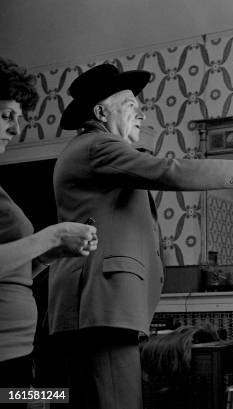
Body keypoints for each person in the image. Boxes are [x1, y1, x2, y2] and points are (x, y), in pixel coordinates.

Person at [48, 63, 233, 409]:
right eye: (130, 105)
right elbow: (168, 170)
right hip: (101, 308)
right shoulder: (96, 146)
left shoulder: (97, 152)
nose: (141, 113)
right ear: (101, 112)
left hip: (96, 307)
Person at [0, 57, 98, 407]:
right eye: (6, 116)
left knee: (55, 398)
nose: (15, 130)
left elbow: (12, 271)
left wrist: (49, 255)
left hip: (18, 354)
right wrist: (52, 237)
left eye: (19, 120)